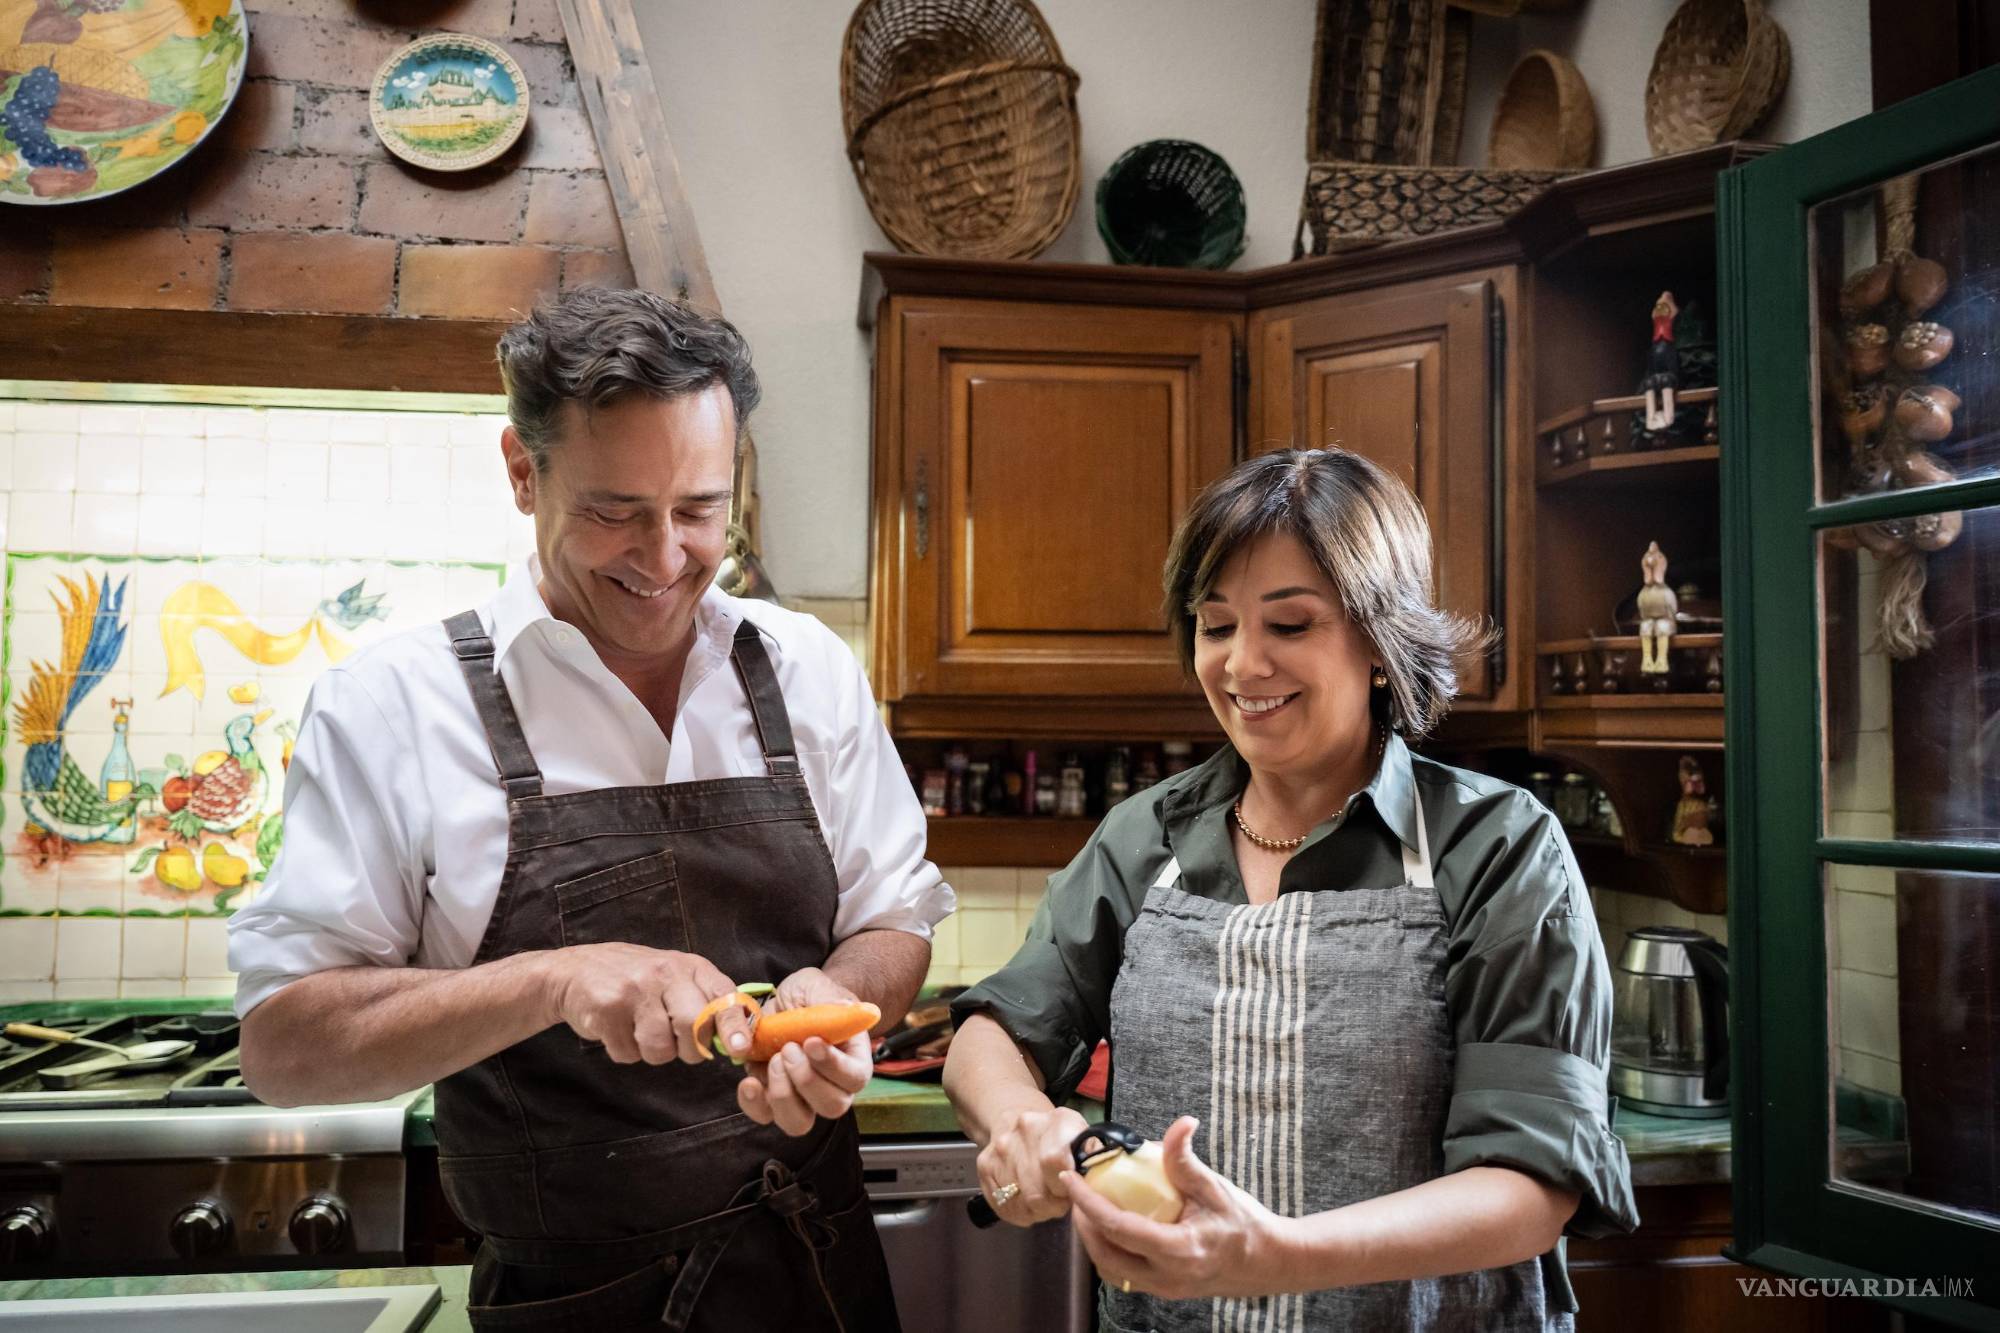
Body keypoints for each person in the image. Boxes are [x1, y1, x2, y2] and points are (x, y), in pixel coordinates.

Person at [229, 287, 953, 1332]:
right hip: (572, 1303)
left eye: (699, 509)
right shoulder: (394, 705)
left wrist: (837, 999)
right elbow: (284, 1048)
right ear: (523, 473)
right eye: (617, 509)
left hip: (818, 1276)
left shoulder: (806, 669)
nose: (665, 561)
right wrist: (554, 979)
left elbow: (894, 917)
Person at [944, 448, 1637, 1331]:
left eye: (1291, 624)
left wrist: (1276, 1256)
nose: (1242, 664)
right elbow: (992, 1032)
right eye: (1216, 623)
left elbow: (1533, 1186)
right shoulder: (1144, 838)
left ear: (1381, 644)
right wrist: (1022, 1125)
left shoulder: (1496, 845)